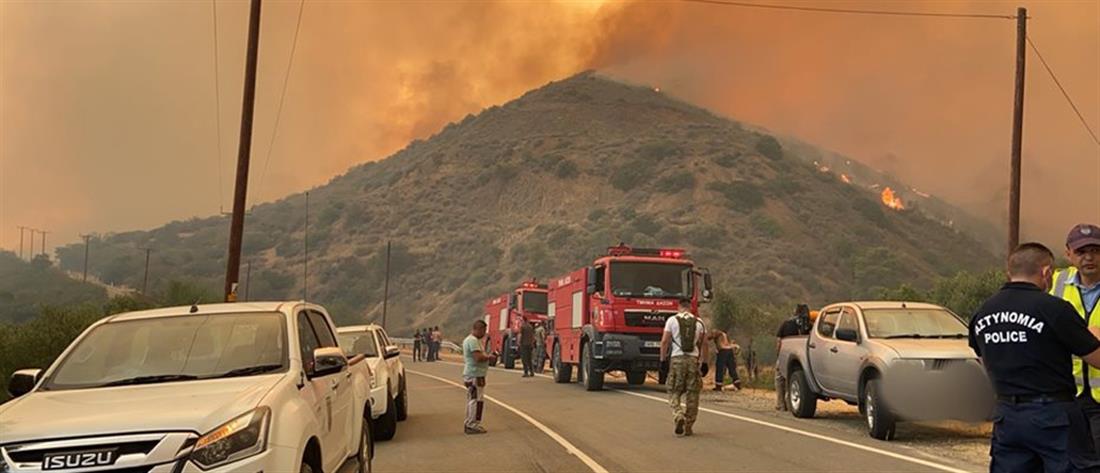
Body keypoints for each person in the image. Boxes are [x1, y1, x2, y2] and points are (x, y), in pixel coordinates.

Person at [970, 242, 1100, 472]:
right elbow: (1096, 359)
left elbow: (984, 361)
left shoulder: (983, 311)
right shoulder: (1054, 308)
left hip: (1007, 417)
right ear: (1046, 272)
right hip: (1053, 416)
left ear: (1009, 272)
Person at [1052, 224, 1100, 453]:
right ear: (1068, 254)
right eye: (1081, 252)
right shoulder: (1055, 282)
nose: (1089, 257)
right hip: (1068, 396)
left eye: (1095, 250)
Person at [660, 299, 709, 437]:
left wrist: (663, 360)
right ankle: (688, 426)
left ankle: (678, 414)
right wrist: (704, 362)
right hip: (693, 361)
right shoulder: (700, 322)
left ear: (679, 307)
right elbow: (704, 344)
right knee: (693, 394)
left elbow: (664, 341)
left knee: (673, 391)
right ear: (691, 308)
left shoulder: (672, 320)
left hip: (677, 360)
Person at [462, 320, 498, 434]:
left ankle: (470, 423)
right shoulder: (472, 341)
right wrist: (489, 357)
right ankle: (472, 424)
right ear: (478, 329)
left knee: (475, 399)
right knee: (475, 400)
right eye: (483, 330)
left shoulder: (474, 340)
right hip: (474, 374)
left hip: (476, 374)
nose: (484, 333)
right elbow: (478, 357)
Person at [774, 304, 811, 411]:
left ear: (795, 312)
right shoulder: (809, 326)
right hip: (804, 359)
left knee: (780, 377)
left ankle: (780, 404)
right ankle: (792, 403)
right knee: (794, 380)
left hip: (786, 355)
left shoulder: (787, 324)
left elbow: (778, 342)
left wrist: (778, 355)